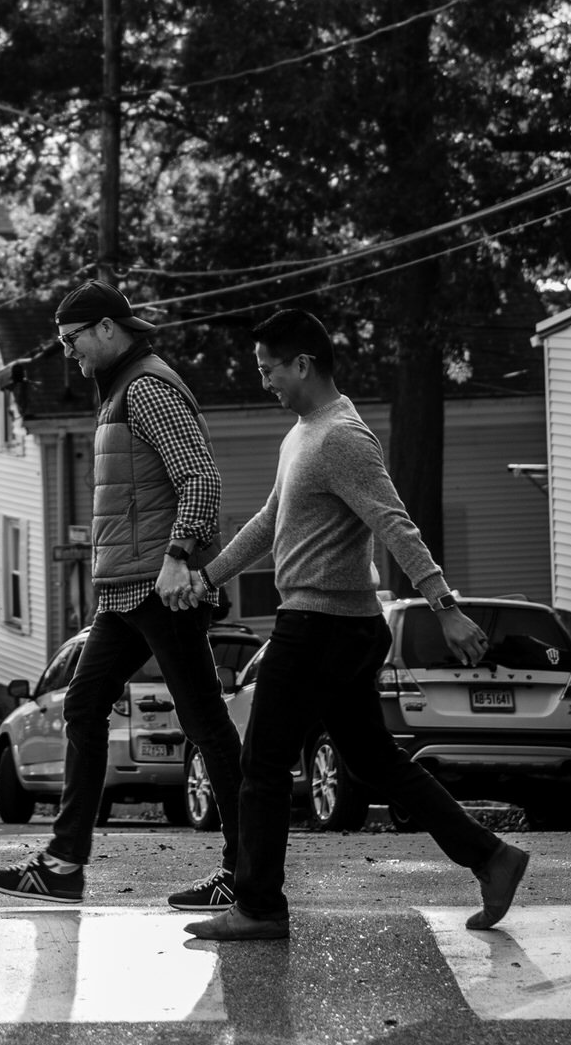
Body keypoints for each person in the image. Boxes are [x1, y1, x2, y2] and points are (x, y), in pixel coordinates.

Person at [169, 307, 530, 942]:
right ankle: (491, 857)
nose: (264, 383)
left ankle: (258, 906)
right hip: (335, 627)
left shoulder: (343, 437)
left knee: (262, 761)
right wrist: (211, 576)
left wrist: (443, 604)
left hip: (320, 628)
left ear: (302, 364)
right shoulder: (303, 433)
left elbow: (394, 521)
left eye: (268, 370)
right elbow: (268, 522)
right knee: (374, 762)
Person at [0, 282, 244, 908]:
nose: (69, 353)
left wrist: (180, 556)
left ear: (105, 328)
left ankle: (247, 870)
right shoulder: (118, 391)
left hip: (162, 587)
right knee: (83, 705)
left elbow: (200, 479)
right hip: (126, 592)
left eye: (73, 340)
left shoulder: (148, 387)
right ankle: (64, 864)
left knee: (205, 723)